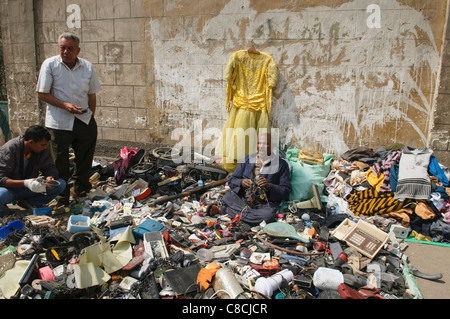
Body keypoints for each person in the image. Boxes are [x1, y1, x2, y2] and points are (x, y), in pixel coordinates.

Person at [36, 32, 102, 206]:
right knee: (59, 162)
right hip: (58, 122)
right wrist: (64, 105)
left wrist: (91, 117)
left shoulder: (87, 67)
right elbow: (42, 94)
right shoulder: (50, 65)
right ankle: (61, 197)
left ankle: (81, 191)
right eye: (62, 48)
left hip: (84, 120)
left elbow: (92, 94)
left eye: (70, 48)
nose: (65, 51)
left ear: (78, 50)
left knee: (84, 161)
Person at [209, 133, 291, 226]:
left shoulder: (281, 165)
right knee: (227, 197)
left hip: (263, 204)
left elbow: (286, 191)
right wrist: (241, 182)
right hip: (244, 199)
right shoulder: (248, 159)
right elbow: (232, 180)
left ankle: (229, 213)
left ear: (272, 146)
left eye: (265, 144)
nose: (261, 147)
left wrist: (269, 186)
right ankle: (245, 217)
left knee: (268, 215)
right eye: (259, 143)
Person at [0, 125, 66, 216]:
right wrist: (26, 183)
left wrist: (50, 177)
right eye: (42, 145)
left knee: (60, 184)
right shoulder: (9, 150)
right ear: (31, 142)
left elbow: (49, 167)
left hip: (29, 188)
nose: (45, 147)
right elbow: (1, 179)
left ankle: (30, 203)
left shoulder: (41, 150)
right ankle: (7, 214)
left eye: (45, 144)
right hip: (10, 189)